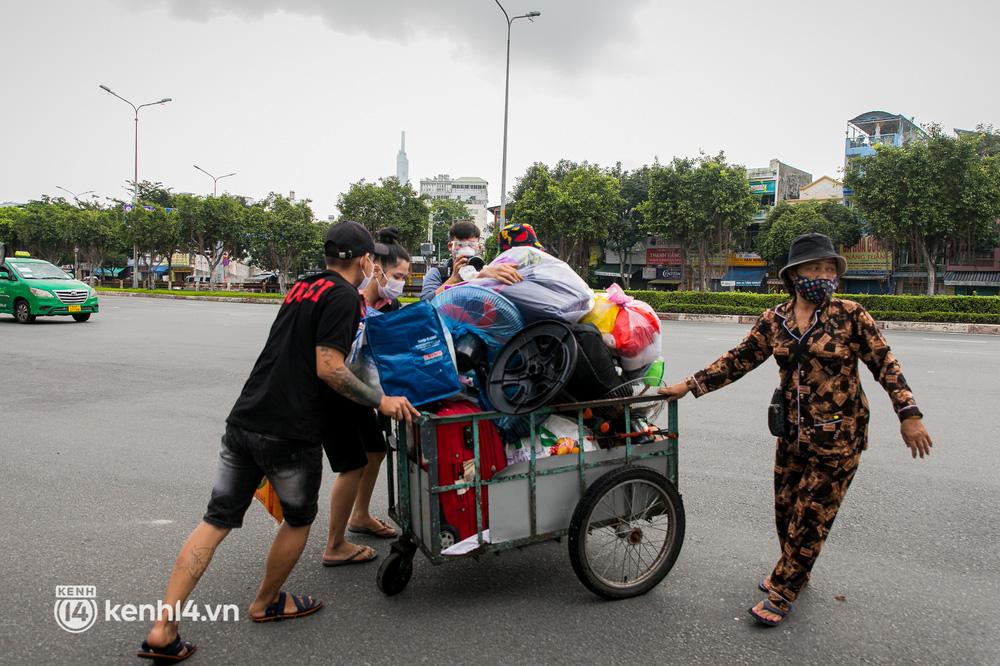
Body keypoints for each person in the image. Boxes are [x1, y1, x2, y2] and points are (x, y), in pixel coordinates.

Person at [137, 221, 419, 663]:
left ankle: (162, 627)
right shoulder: (344, 297)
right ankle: (267, 601)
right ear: (365, 260)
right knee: (298, 519)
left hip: (246, 417)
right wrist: (379, 400)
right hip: (290, 429)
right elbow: (329, 366)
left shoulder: (303, 286)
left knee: (216, 520)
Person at [659, 232, 934, 627]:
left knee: (811, 516)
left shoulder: (851, 315)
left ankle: (785, 589)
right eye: (814, 268)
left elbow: (886, 364)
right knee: (786, 512)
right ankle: (793, 567)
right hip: (791, 434)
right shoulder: (775, 320)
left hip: (839, 437)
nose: (822, 275)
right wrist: (690, 385)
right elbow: (739, 359)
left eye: (828, 268)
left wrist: (909, 414)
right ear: (794, 275)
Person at [322, 227, 410, 556]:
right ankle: (335, 545)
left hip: (361, 393)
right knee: (353, 463)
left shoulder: (390, 307)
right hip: (336, 389)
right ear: (374, 267)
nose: (401, 281)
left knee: (375, 449)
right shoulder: (347, 300)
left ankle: (359, 516)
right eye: (397, 275)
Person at [419, 220, 521, 301]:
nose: (467, 250)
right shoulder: (439, 273)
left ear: (479, 247)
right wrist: (454, 279)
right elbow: (425, 304)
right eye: (460, 245)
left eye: (472, 245)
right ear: (450, 246)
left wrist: (486, 277)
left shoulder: (488, 270)